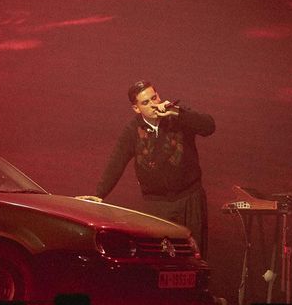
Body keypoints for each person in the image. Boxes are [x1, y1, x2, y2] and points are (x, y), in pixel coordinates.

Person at [91, 81, 217, 250]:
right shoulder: (132, 130)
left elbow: (209, 126)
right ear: (136, 108)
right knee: (161, 256)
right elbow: (116, 162)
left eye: (154, 97)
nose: (153, 104)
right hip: (157, 205)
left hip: (190, 199)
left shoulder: (178, 116)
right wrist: (100, 193)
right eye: (146, 102)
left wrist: (177, 112)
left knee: (194, 254)